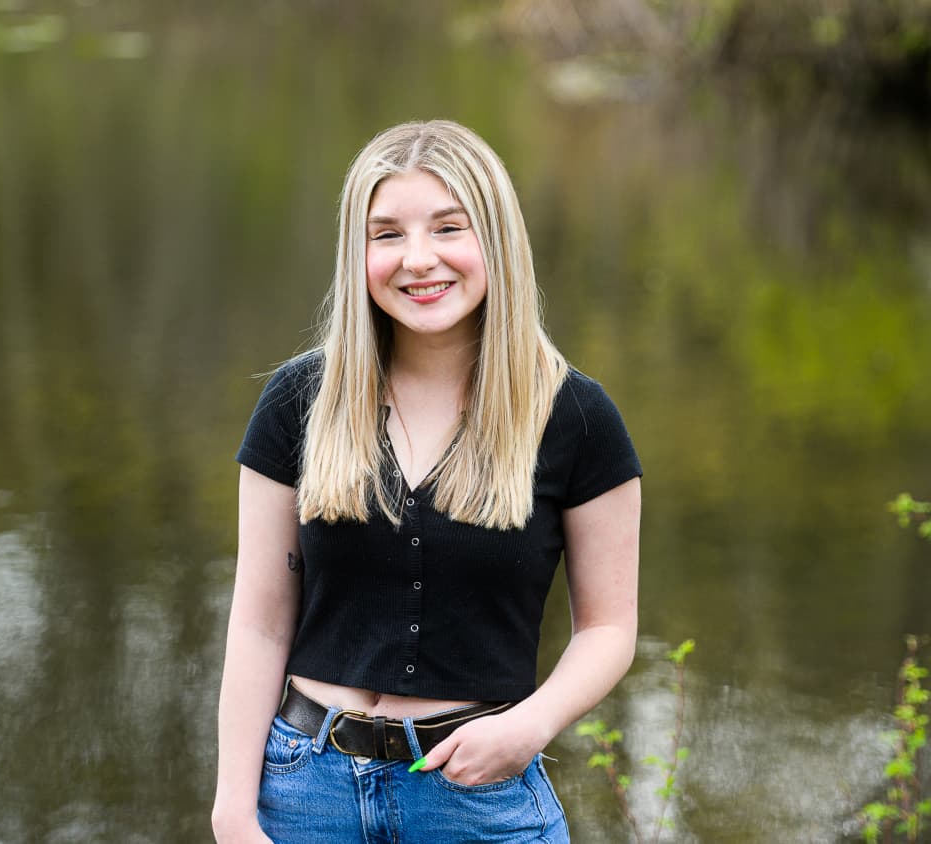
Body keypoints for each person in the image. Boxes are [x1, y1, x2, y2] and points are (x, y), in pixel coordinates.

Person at [211, 119, 643, 843]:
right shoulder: (298, 403)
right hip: (303, 794)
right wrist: (232, 809)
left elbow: (608, 628)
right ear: (359, 251)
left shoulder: (577, 418)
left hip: (477, 797)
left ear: (497, 240)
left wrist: (531, 726)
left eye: (448, 227)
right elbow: (258, 623)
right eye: (387, 234)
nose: (418, 260)